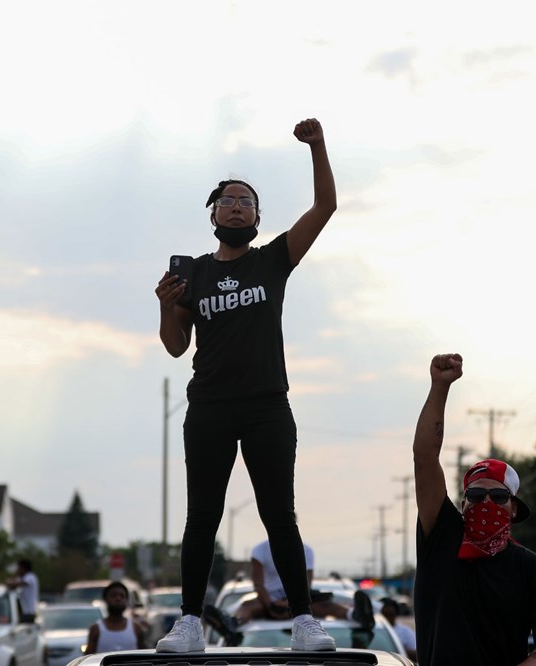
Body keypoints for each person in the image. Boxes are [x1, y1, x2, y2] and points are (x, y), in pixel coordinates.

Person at [154, 118, 337, 653]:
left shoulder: (272, 261)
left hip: (266, 407)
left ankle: (304, 621)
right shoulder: (194, 275)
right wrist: (167, 306)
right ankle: (190, 623)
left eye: (247, 201)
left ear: (258, 217)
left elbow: (324, 208)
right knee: (202, 517)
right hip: (209, 406)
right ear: (212, 215)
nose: (237, 206)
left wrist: (317, 148)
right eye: (228, 200)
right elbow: (174, 345)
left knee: (279, 512)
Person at [412, 353, 536, 665]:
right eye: (476, 495)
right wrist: (440, 386)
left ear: (512, 508)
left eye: (497, 497)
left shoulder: (532, 570)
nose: (485, 503)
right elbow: (425, 457)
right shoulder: (441, 539)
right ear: (463, 502)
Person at [234, 539, 374, 628]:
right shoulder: (260, 550)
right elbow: (258, 584)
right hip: (269, 601)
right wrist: (271, 605)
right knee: (248, 606)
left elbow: (306, 584)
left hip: (296, 601)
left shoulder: (306, 551)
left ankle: (355, 615)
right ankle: (234, 622)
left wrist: (288, 603)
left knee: (326, 605)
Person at [86, 581, 148, 653]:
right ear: (106, 599)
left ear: (126, 600)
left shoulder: (136, 628)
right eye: (113, 595)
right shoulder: (96, 629)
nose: (118, 599)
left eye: (122, 596)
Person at [379, 598, 417, 662]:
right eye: (385, 615)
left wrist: (399, 649)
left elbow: (415, 654)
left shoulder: (405, 631)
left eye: (391, 614)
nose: (387, 618)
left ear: (396, 614)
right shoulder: (371, 631)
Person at [6, 558, 39, 622]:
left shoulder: (30, 577)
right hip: (23, 612)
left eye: (18, 568)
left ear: (23, 568)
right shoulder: (22, 578)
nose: (17, 570)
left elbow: (16, 584)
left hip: (29, 612)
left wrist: (10, 581)